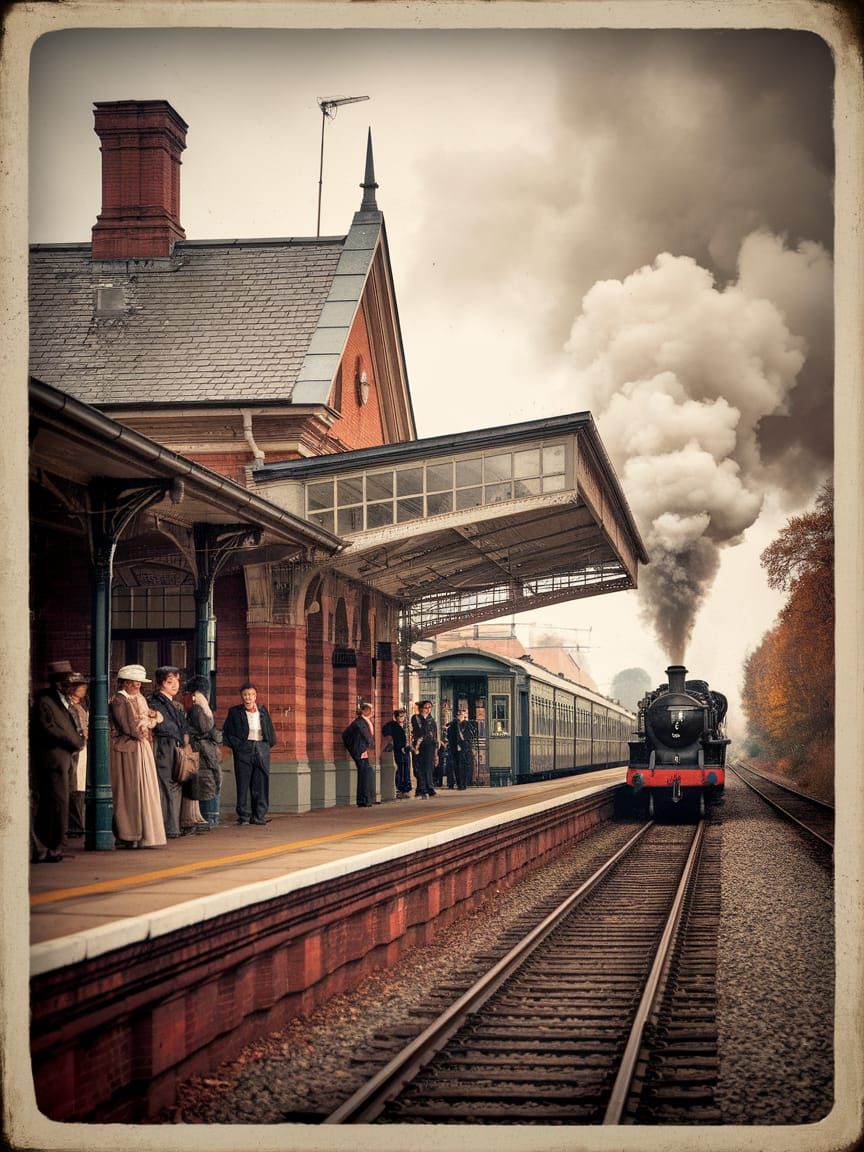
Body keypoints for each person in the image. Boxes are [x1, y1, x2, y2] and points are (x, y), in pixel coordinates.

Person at [30, 664, 86, 862]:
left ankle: (54, 846)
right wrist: (71, 740)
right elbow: (48, 728)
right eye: (66, 680)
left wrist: (76, 741)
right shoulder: (46, 701)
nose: (70, 684)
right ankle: (49, 846)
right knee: (54, 804)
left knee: (61, 803)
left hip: (63, 757)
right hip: (53, 758)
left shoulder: (61, 701)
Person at [109, 665, 166, 848]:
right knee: (129, 791)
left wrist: (149, 720)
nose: (138, 687)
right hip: (127, 749)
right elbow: (130, 728)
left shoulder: (138, 698)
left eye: (139, 684)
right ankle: (128, 833)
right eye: (135, 684)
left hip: (140, 748)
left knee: (141, 790)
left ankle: (141, 833)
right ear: (125, 684)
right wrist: (149, 722)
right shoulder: (119, 700)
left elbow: (146, 721)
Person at [222, 683, 276, 825]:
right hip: (244, 750)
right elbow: (227, 733)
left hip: (261, 748)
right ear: (242, 696)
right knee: (243, 783)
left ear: (255, 696)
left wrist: (266, 744)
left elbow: (270, 731)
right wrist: (238, 746)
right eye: (245, 694)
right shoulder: (234, 712)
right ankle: (244, 816)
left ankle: (259, 816)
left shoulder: (263, 711)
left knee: (261, 784)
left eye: (251, 694)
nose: (248, 697)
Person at [148, 666, 188, 837]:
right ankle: (166, 826)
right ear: (161, 683)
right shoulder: (155, 701)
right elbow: (164, 726)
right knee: (165, 785)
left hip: (173, 745)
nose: (175, 685)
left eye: (177, 681)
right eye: (170, 681)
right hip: (163, 746)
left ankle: (172, 826)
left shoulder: (172, 703)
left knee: (174, 784)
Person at [184, 676, 223, 827]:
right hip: (203, 751)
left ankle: (209, 818)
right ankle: (209, 818)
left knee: (208, 780)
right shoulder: (199, 708)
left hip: (203, 750)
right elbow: (206, 728)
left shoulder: (197, 707)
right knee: (208, 780)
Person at [64, 672, 90, 838]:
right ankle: (74, 825)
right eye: (79, 685)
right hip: (74, 748)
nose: (83, 688)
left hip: (82, 747)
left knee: (79, 786)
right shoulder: (69, 706)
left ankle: (77, 824)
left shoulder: (81, 706)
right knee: (73, 786)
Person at [342, 703, 376, 807]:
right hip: (361, 751)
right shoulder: (359, 722)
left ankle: (366, 798)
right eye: (371, 709)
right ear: (365, 711)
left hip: (363, 751)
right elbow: (346, 735)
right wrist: (355, 748)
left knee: (366, 773)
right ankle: (363, 799)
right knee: (364, 774)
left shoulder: (365, 721)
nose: (373, 712)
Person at [381, 708, 411, 799]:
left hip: (406, 750)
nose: (403, 718)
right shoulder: (394, 725)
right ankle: (399, 789)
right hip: (398, 750)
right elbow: (385, 732)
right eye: (401, 716)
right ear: (397, 717)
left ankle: (406, 789)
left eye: (404, 716)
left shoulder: (406, 726)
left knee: (406, 769)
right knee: (400, 769)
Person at [412, 700, 439, 799]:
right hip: (419, 746)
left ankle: (429, 787)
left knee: (429, 768)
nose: (428, 710)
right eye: (426, 707)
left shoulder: (431, 720)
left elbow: (434, 735)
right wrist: (424, 719)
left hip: (430, 746)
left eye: (430, 708)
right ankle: (421, 789)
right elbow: (420, 731)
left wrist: (436, 750)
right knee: (419, 768)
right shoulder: (416, 718)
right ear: (421, 708)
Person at [446, 708, 474, 791]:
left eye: (463, 715)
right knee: (457, 766)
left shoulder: (467, 725)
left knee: (465, 766)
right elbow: (450, 737)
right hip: (456, 749)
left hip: (465, 748)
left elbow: (470, 736)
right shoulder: (453, 725)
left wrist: (467, 744)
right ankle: (459, 784)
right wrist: (455, 745)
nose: (461, 716)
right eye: (460, 715)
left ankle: (464, 783)